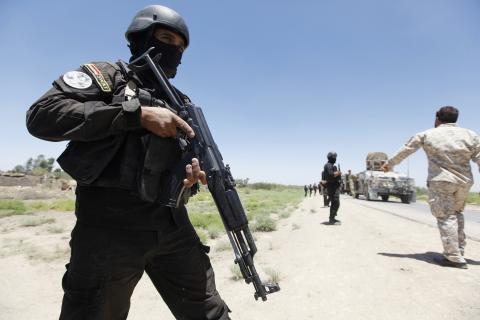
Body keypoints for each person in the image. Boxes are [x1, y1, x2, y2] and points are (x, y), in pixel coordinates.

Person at [26, 5, 230, 319]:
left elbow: (184, 165)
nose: (174, 50)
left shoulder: (182, 101)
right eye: (165, 38)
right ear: (141, 38)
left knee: (210, 313)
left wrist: (190, 179)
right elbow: (42, 116)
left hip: (172, 226)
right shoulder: (108, 76)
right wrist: (135, 114)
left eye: (181, 47)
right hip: (109, 228)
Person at [382, 106, 480, 269]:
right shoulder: (471, 135)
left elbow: (407, 149)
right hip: (464, 182)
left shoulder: (427, 134)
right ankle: (458, 250)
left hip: (441, 181)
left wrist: (389, 164)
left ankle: (453, 257)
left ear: (437, 118)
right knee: (457, 213)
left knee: (446, 216)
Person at [324, 152, 342, 225]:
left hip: (334, 186)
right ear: (331, 158)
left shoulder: (332, 165)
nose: (335, 159)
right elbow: (331, 174)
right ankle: (331, 219)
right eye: (334, 157)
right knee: (335, 202)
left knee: (335, 203)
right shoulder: (328, 165)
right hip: (332, 187)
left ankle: (332, 218)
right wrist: (338, 173)